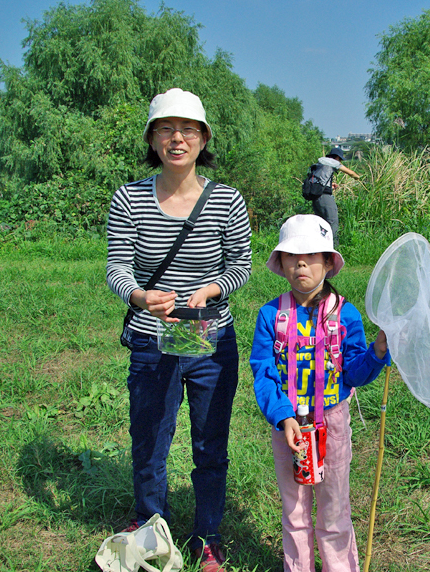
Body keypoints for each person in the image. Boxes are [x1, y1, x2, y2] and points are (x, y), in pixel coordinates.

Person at [106, 88, 252, 571]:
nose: (177, 138)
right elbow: (118, 268)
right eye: (165, 128)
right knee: (149, 436)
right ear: (151, 138)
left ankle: (207, 536)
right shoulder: (128, 198)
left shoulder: (227, 200)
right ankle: (151, 525)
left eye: (188, 129)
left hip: (211, 340)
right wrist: (139, 296)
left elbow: (241, 266)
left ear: (203, 138)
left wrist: (211, 289)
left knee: (210, 441)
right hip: (152, 338)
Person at [249, 214, 390, 572]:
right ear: (280, 263)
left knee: (334, 507)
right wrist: (282, 417)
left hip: (333, 422)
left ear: (328, 262)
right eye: (291, 256)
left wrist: (376, 352)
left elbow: (354, 371)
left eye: (311, 255)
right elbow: (263, 372)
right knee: (294, 509)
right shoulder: (270, 315)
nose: (300, 263)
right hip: (289, 428)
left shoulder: (346, 315)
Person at [310, 147, 360, 247]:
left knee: (321, 224)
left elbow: (320, 180)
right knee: (333, 222)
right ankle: (334, 249)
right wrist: (358, 178)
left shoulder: (320, 163)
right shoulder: (333, 162)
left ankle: (320, 248)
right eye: (340, 159)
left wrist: (330, 186)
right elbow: (351, 173)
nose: (340, 161)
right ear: (337, 157)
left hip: (316, 198)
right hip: (325, 198)